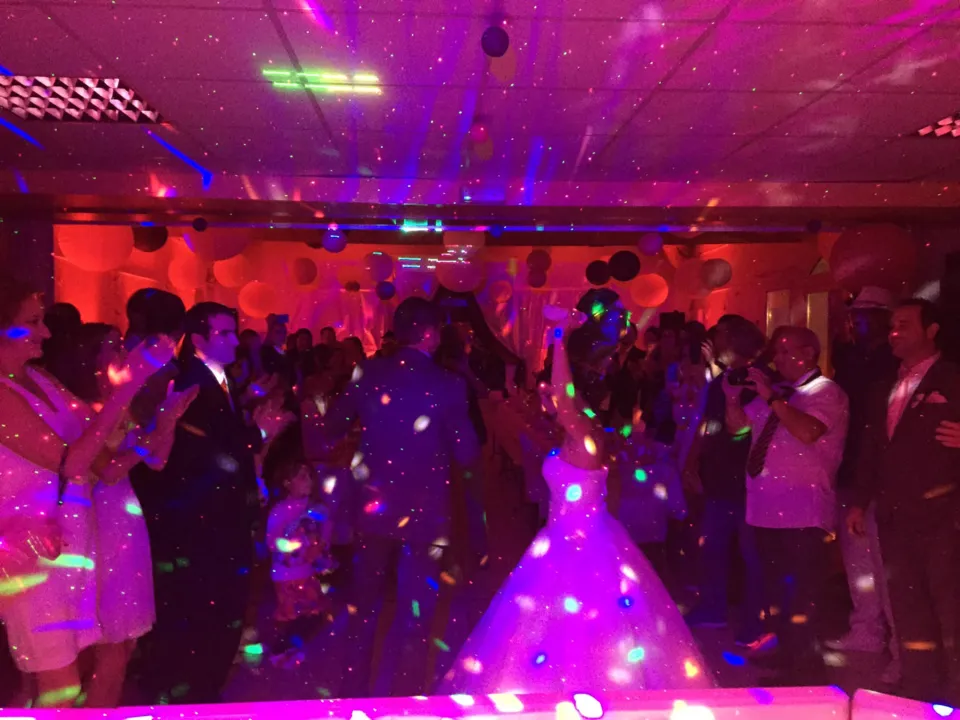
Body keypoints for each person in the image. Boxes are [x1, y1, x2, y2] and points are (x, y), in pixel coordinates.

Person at [438, 289, 712, 694]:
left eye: (556, 394)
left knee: (584, 630)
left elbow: (563, 394)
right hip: (562, 538)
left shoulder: (584, 434)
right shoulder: (576, 434)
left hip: (581, 545)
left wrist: (559, 338)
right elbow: (551, 412)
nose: (550, 397)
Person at [0, 277, 175, 707]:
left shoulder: (39, 379)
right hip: (29, 553)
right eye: (32, 322)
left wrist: (145, 408)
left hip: (73, 545)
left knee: (68, 684)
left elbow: (99, 451)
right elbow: (72, 463)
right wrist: (130, 386)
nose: (45, 332)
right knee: (58, 689)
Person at [306, 297, 482, 697]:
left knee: (363, 606)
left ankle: (352, 695)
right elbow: (467, 453)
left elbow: (332, 427)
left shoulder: (367, 372)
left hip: (373, 507)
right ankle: (406, 700)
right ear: (430, 334)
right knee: (416, 614)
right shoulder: (449, 384)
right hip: (426, 513)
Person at [135, 302, 292, 703]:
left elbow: (222, 436)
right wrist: (260, 433)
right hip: (206, 520)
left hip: (218, 515)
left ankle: (202, 688)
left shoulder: (216, 378)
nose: (235, 341)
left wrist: (252, 411)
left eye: (234, 332)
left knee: (218, 609)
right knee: (210, 610)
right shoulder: (192, 382)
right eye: (225, 333)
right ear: (199, 339)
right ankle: (195, 694)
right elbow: (210, 453)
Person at [47, 323, 197, 706]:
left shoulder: (117, 402)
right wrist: (155, 433)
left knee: (125, 642)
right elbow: (110, 470)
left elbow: (157, 460)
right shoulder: (78, 408)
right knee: (110, 644)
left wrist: (168, 421)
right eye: (113, 345)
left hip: (125, 521)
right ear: (90, 357)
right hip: (98, 523)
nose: (124, 352)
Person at [849, 299, 960, 705]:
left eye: (904, 325)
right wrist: (859, 501)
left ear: (932, 330)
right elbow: (872, 449)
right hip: (895, 514)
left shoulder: (953, 378)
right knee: (907, 605)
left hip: (944, 515)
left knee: (951, 606)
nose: (894, 332)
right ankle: (919, 687)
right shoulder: (883, 387)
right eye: (892, 325)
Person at [724, 326, 848, 686]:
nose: (775, 360)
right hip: (764, 509)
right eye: (775, 353)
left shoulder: (825, 392)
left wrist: (773, 398)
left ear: (808, 353)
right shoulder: (778, 394)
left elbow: (808, 431)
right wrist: (732, 400)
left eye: (783, 351)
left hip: (803, 512)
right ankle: (787, 656)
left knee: (801, 596)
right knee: (776, 593)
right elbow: (738, 430)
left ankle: (806, 671)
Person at [826, 287, 900, 682]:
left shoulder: (894, 364)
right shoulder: (851, 358)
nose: (859, 321)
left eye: (868, 314)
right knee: (858, 560)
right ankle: (867, 631)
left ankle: (899, 644)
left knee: (884, 562)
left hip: (880, 475)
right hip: (850, 468)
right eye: (856, 315)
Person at [683, 316, 767, 646]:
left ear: (732, 339)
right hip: (720, 476)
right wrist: (693, 461)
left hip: (749, 480)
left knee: (751, 554)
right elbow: (708, 422)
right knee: (713, 546)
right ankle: (714, 608)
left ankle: (753, 620)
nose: (713, 339)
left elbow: (744, 428)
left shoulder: (758, 380)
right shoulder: (723, 379)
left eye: (718, 334)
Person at [265, 459, 335, 664]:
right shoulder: (281, 510)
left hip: (306, 572)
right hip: (286, 575)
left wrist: (321, 550)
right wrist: (295, 544)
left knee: (313, 613)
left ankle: (287, 648)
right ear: (287, 482)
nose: (308, 481)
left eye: (310, 476)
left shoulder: (316, 508)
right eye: (302, 477)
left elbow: (324, 536)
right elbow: (272, 542)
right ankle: (280, 651)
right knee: (294, 615)